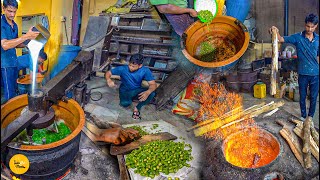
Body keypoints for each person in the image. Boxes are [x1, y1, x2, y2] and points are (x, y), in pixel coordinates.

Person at [270, 13, 319, 121]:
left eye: (312, 27)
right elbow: (280, 39)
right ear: (305, 24)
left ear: (316, 26)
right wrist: (275, 31)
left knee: (314, 97)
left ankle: (310, 116)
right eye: (307, 26)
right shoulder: (297, 37)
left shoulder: (318, 39)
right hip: (302, 73)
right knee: (302, 96)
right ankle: (303, 115)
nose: (309, 29)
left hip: (315, 73)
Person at [1, 0, 39, 104]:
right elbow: (5, 45)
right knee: (9, 93)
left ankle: (13, 108)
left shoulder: (15, 25)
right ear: (3, 9)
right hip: (4, 64)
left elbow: (15, 43)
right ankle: (9, 116)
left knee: (14, 88)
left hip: (14, 62)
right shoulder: (1, 24)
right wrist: (26, 36)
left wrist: (28, 42)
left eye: (14, 11)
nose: (12, 14)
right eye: (9, 11)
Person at [105, 54, 157, 120]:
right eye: (130, 65)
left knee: (152, 93)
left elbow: (153, 84)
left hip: (137, 89)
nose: (131, 68)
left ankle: (137, 108)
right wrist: (108, 80)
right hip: (125, 91)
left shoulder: (145, 70)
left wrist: (148, 92)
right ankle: (129, 99)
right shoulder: (123, 69)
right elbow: (108, 73)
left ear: (140, 66)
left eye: (133, 66)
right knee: (125, 104)